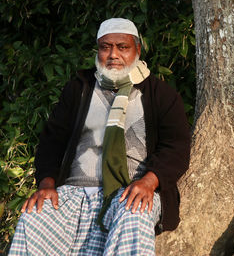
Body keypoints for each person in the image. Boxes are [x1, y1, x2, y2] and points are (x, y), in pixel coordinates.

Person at [8, 18, 190, 255]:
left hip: (131, 191)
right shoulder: (79, 88)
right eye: (106, 47)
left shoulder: (160, 94)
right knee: (34, 217)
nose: (113, 54)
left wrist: (149, 182)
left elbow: (176, 146)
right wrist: (46, 184)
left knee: (134, 217)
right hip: (74, 192)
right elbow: (52, 141)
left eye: (122, 47)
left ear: (137, 49)